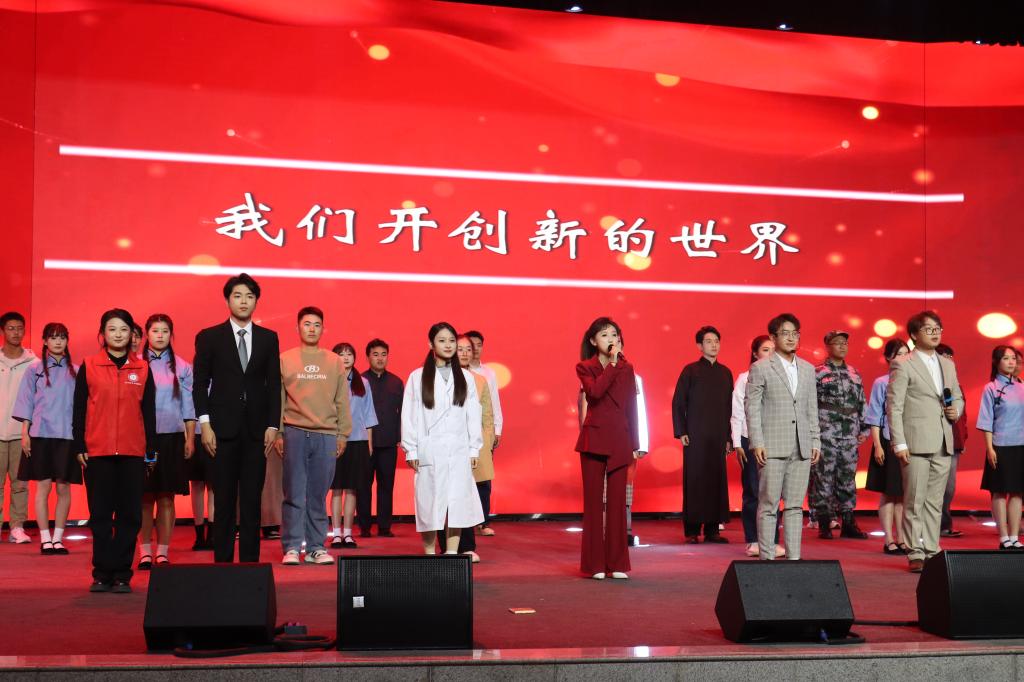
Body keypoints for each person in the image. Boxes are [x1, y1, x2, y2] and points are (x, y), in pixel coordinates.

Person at [193, 273, 282, 564]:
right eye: (237, 296)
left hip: (257, 431)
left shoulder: (268, 338)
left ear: (256, 301)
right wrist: (205, 424)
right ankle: (222, 564)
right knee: (224, 500)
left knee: (252, 500)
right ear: (228, 300)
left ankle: (250, 566)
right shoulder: (209, 337)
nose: (243, 301)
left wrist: (273, 425)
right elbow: (199, 384)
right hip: (221, 430)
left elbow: (273, 385)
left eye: (249, 296)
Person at [73, 309, 157, 593]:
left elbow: (148, 412)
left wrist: (151, 449)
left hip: (133, 452)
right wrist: (79, 444)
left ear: (132, 334)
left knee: (130, 515)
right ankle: (101, 572)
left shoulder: (142, 368)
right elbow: (79, 409)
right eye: (112, 329)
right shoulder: (89, 365)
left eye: (124, 329)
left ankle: (122, 573)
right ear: (102, 334)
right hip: (98, 452)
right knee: (100, 515)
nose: (118, 334)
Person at [887, 310, 963, 573]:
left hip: (943, 439)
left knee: (935, 500)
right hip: (915, 441)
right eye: (928, 329)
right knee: (914, 499)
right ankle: (915, 551)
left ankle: (932, 548)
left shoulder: (947, 364)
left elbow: (957, 395)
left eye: (937, 328)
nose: (935, 333)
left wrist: (956, 410)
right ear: (914, 334)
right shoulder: (903, 363)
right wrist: (899, 443)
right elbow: (894, 406)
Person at [276, 307, 351, 566]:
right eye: (307, 324)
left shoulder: (334, 361)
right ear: (297, 328)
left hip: (326, 435)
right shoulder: (285, 359)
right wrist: (279, 432)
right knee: (294, 493)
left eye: (317, 324)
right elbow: (279, 400)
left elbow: (342, 400)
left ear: (323, 329)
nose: (311, 329)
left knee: (318, 494)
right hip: (294, 432)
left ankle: (316, 547)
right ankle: (292, 547)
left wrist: (343, 434)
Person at [745, 313, 821, 561]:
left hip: (802, 446)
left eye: (795, 333)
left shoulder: (808, 369)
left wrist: (815, 440)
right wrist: (757, 441)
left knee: (795, 506)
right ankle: (767, 559)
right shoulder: (761, 367)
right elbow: (752, 407)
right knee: (768, 505)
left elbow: (811, 408)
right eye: (785, 333)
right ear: (773, 337)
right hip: (772, 446)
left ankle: (794, 559)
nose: (791, 338)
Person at [402, 322, 483, 555]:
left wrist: (474, 449)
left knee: (457, 504)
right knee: (429, 504)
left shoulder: (466, 377)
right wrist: (411, 449)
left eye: (451, 341)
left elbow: (473, 414)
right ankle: (430, 554)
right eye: (442, 340)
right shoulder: (417, 377)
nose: (448, 345)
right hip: (430, 449)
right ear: (431, 344)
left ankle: (452, 554)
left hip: (458, 450)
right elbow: (409, 415)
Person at [575, 317, 640, 579]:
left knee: (617, 505)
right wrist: (612, 365)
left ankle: (617, 564)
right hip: (594, 440)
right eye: (604, 335)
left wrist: (635, 442)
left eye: (614, 334)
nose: (611, 339)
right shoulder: (585, 367)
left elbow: (631, 407)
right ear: (593, 341)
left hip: (620, 439)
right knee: (593, 505)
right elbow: (595, 393)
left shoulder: (628, 368)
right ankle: (595, 565)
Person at [12, 323, 80, 555]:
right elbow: (26, 402)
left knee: (63, 488)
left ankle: (58, 539)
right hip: (40, 434)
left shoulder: (76, 371)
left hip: (67, 436)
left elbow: (82, 408)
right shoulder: (35, 369)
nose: (58, 342)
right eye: (53, 337)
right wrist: (25, 433)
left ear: (67, 341)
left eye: (62, 337)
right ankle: (45, 539)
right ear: (45, 341)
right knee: (42, 488)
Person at [137, 314, 195, 569]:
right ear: (146, 334)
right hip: (142, 438)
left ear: (171, 335)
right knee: (144, 497)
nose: (160, 335)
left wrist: (190, 438)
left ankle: (162, 552)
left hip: (172, 438)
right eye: (155, 331)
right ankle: (144, 552)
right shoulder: (135, 364)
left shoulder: (182, 366)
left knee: (167, 498)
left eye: (164, 331)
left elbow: (188, 406)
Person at [672, 326, 733, 544]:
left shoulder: (725, 373)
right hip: (695, 435)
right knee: (695, 480)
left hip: (718, 435)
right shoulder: (690, 371)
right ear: (699, 346)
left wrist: (729, 437)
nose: (714, 345)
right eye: (708, 341)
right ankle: (692, 531)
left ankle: (712, 530)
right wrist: (681, 431)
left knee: (716, 480)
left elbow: (730, 408)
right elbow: (678, 402)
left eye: (716, 341)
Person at [811, 330, 869, 540]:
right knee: (823, 477)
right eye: (837, 343)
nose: (842, 346)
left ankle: (848, 522)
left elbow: (861, 401)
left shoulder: (854, 373)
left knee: (848, 478)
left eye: (845, 343)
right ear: (828, 346)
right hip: (826, 433)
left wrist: (865, 428)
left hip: (849, 434)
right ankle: (824, 522)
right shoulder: (817, 372)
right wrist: (812, 433)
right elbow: (810, 404)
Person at [731, 335, 783, 557]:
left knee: (774, 492)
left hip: (775, 439)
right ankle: (753, 540)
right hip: (750, 439)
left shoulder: (781, 378)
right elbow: (737, 412)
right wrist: (737, 443)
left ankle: (772, 541)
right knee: (753, 490)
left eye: (773, 350)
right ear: (755, 353)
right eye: (765, 350)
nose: (770, 354)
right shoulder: (745, 378)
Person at [864, 338, 911, 555]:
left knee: (902, 494)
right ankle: (889, 539)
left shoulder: (912, 380)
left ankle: (901, 538)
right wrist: (877, 446)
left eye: (906, 353)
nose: (903, 358)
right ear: (888, 358)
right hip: (887, 441)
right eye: (899, 354)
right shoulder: (882, 382)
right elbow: (874, 416)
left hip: (908, 442)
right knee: (888, 493)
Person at [329, 342, 376, 548]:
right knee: (336, 489)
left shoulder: (362, 383)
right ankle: (336, 534)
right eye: (341, 354)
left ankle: (348, 534)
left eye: (349, 354)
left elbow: (368, 414)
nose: (346, 357)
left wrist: (369, 443)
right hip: (334, 440)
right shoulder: (329, 380)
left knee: (351, 490)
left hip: (358, 441)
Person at [977, 345, 1024, 550]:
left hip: (1021, 445)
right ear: (996, 362)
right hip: (1000, 445)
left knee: (1017, 492)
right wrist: (990, 448)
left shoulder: (1022, 386)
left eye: (1014, 358)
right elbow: (986, 420)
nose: (1011, 362)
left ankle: (1014, 536)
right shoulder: (991, 387)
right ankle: (1003, 537)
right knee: (999, 492)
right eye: (1006, 358)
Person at [456, 334, 495, 562]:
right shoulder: (440, 377)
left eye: (468, 349)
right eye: (460, 348)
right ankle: (448, 545)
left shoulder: (480, 380)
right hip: (450, 446)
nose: (464, 353)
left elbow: (487, 414)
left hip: (473, 446)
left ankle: (468, 545)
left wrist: (485, 441)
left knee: (470, 494)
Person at [359, 339, 403, 538]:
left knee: (386, 486)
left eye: (383, 354)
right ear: (368, 357)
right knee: (363, 486)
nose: (380, 358)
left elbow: (403, 413)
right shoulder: (360, 381)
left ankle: (384, 526)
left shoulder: (396, 382)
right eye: (375, 354)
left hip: (388, 442)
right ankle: (365, 527)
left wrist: (401, 437)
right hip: (364, 443)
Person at [0, 311, 35, 544]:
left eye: (20, 328)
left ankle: (17, 527)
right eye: (11, 328)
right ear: (3, 331)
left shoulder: (34, 363)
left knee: (20, 484)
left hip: (21, 433)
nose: (16, 332)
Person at [465, 330, 502, 534]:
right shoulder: (455, 373)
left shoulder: (487, 374)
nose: (474, 349)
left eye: (478, 345)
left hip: (482, 432)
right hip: (461, 436)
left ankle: (483, 521)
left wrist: (496, 429)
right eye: (469, 346)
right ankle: (466, 522)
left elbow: (493, 403)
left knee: (483, 479)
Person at [937, 343, 968, 538]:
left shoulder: (956, 387)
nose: (949, 360)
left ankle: (944, 524)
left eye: (950, 356)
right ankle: (924, 527)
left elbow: (963, 417)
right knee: (931, 487)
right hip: (934, 441)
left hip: (954, 444)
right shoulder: (931, 385)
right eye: (945, 356)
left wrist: (963, 439)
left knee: (949, 488)